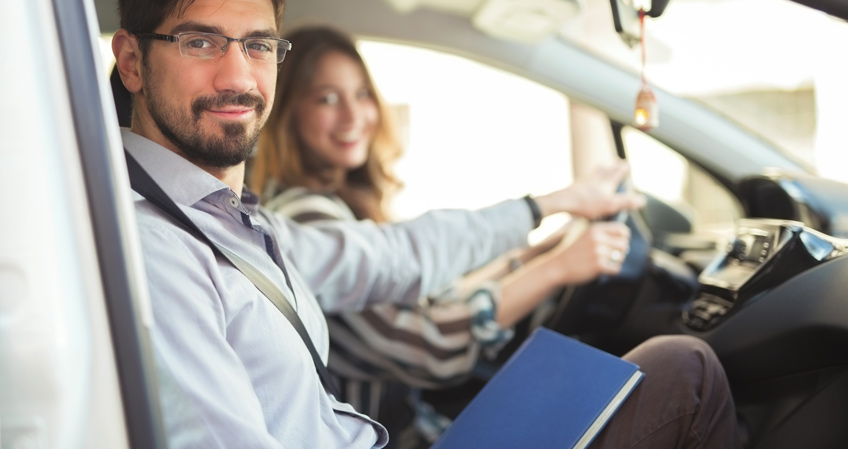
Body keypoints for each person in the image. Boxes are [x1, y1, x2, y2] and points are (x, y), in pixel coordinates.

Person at [110, 0, 741, 447]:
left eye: (257, 45)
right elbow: (427, 340)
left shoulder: (237, 223)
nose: (238, 75)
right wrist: (555, 263)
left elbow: (399, 255)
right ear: (132, 62)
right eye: (200, 42)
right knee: (685, 372)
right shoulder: (152, 245)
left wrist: (549, 208)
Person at [247, 24, 648, 448]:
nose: (354, 115)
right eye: (328, 98)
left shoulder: (330, 204)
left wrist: (534, 254)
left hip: (418, 428)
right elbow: (431, 347)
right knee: (674, 366)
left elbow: (433, 297)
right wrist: (557, 268)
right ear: (288, 111)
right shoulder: (307, 218)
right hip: (398, 439)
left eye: (362, 93)